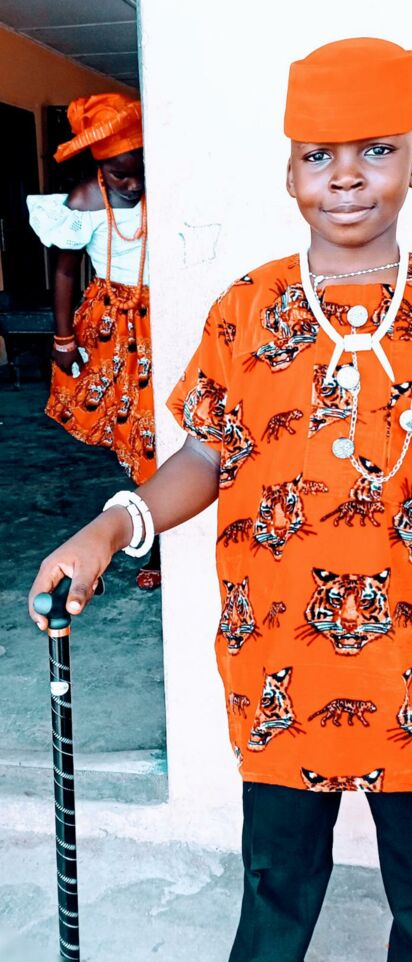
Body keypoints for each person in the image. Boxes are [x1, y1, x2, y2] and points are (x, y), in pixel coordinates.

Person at [29, 39, 412, 962]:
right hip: (281, 648)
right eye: (319, 155)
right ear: (289, 174)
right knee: (278, 844)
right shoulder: (247, 311)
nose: (346, 176)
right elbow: (202, 454)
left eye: (375, 149)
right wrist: (112, 524)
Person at [27, 93, 160, 590]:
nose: (131, 185)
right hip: (112, 330)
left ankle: (161, 535)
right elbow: (64, 273)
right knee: (134, 435)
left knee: (159, 432)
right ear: (99, 167)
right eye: (118, 175)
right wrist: (63, 338)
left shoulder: (162, 190)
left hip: (160, 321)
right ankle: (151, 534)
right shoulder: (84, 200)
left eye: (137, 173)